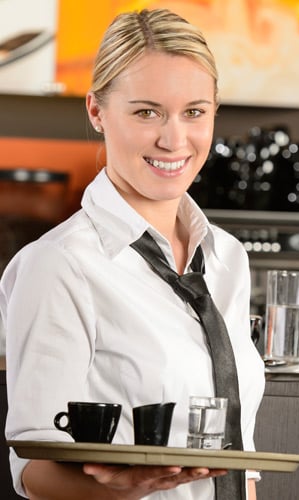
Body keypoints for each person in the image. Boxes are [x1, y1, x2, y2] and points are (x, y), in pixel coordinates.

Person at [0, 8, 265, 500]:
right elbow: (33, 469)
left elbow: (240, 450)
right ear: (97, 112)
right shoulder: (59, 265)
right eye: (146, 112)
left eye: (194, 111)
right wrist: (128, 486)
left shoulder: (227, 258)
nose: (174, 139)